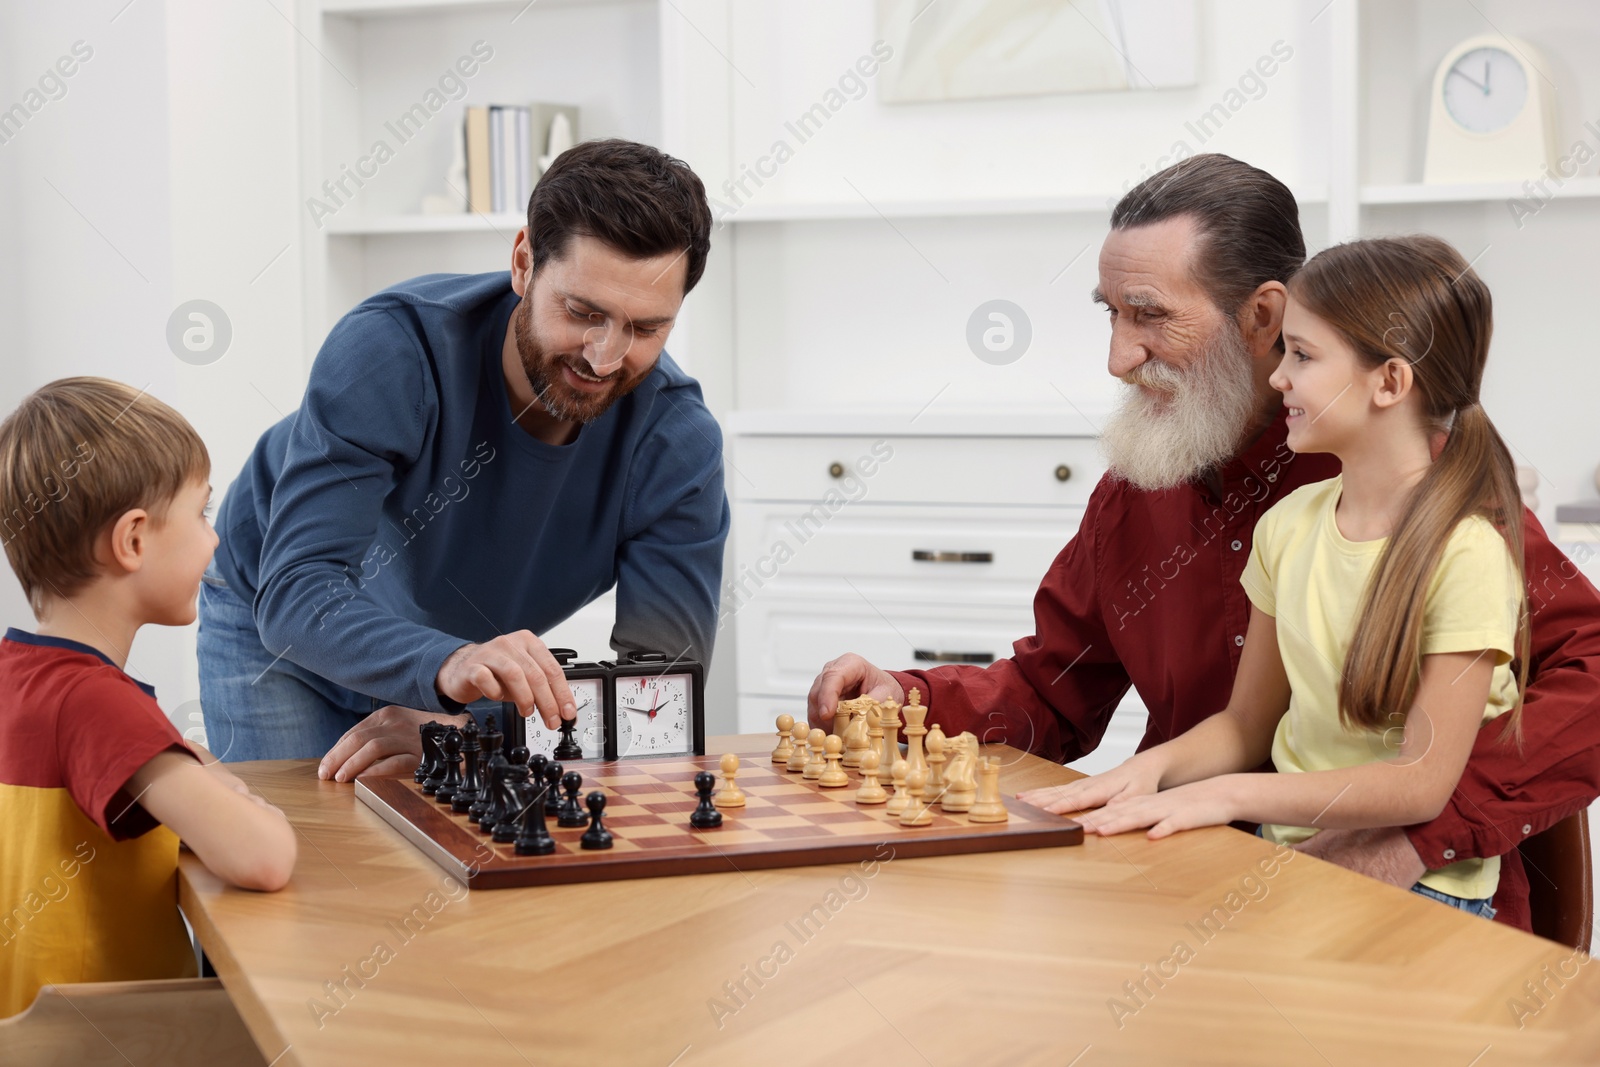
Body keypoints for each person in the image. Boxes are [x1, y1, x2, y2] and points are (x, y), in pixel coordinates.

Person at [807, 154, 1600, 931]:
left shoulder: (1428, 501)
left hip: (1406, 912)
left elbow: (1590, 676)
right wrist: (906, 699)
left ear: (1263, 317)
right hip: (1185, 885)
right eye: (1109, 313)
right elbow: (1055, 688)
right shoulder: (1138, 492)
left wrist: (1420, 835)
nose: (1117, 359)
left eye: (1149, 314)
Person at [1018, 236, 1523, 918]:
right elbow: (1245, 726)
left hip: (1424, 895)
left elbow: (1420, 784)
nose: (1279, 376)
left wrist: (1228, 795)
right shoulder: (1287, 527)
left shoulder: (1467, 552)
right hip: (1284, 861)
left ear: (1390, 382)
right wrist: (1145, 772)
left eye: (1304, 356)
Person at [200, 139, 728, 777]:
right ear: (524, 262)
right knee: (304, 855)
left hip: (450, 664)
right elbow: (297, 594)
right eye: (583, 312)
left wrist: (473, 728)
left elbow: (658, 702)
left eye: (646, 329)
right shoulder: (391, 350)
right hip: (275, 611)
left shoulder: (678, 444)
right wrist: (448, 669)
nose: (605, 356)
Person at [0, 378, 296, 1018]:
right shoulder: (97, 702)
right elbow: (265, 858)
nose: (215, 539)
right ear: (133, 540)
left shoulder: (16, 679)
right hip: (108, 1043)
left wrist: (185, 769)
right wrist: (246, 803)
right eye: (201, 514)